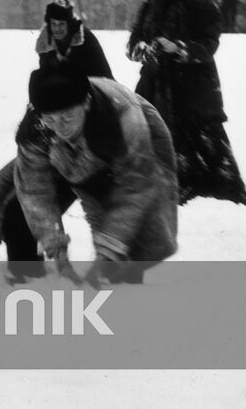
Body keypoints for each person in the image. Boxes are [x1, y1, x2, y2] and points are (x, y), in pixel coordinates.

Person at [0, 0, 116, 280]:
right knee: (16, 210)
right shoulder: (46, 47)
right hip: (51, 140)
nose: (58, 29)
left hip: (91, 133)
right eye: (54, 25)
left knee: (108, 208)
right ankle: (26, 273)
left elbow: (103, 86)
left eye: (63, 25)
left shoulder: (87, 45)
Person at [14, 66, 179, 284]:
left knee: (137, 237)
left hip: (136, 146)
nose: (60, 126)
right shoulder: (36, 126)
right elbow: (35, 189)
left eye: (66, 117)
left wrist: (105, 256)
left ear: (87, 103)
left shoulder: (123, 118)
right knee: (13, 209)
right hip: (67, 153)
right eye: (50, 119)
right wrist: (57, 251)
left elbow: (135, 186)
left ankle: (126, 283)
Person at [127, 0, 246, 206]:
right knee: (149, 132)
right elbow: (133, 42)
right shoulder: (152, 1)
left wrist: (179, 47)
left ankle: (213, 193)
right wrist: (144, 49)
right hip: (156, 82)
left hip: (192, 83)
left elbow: (210, 42)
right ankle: (160, 190)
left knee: (203, 137)